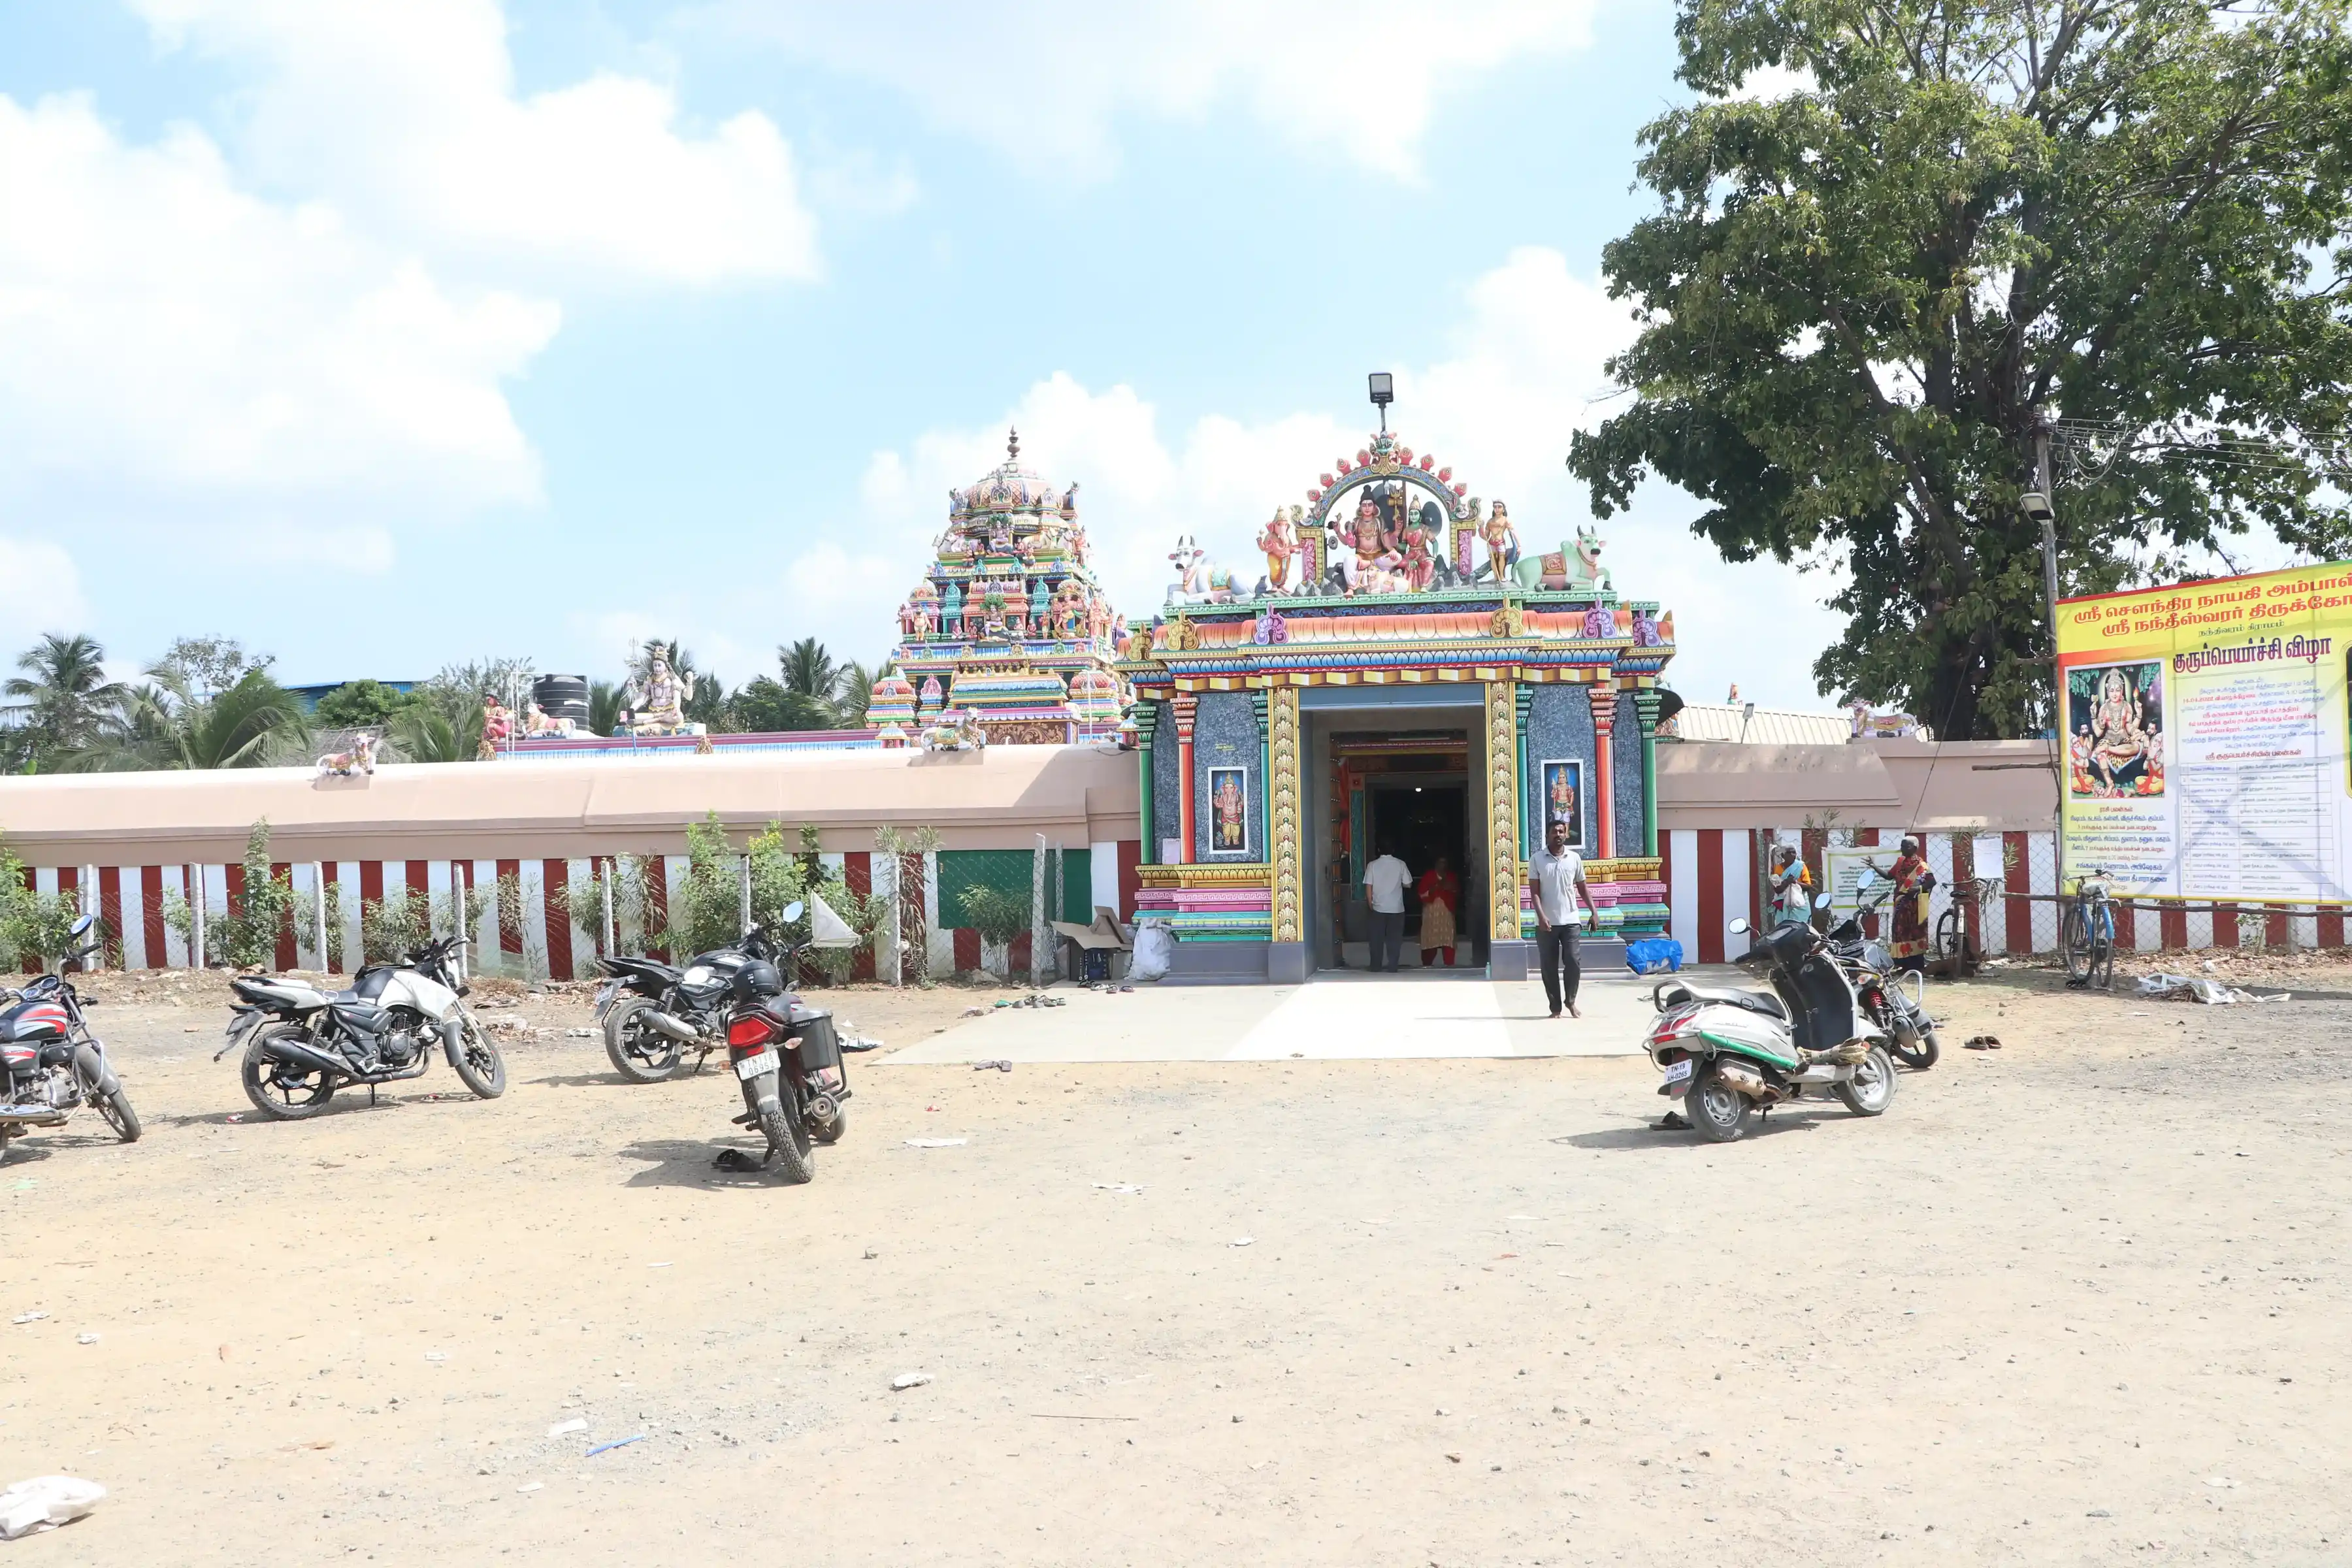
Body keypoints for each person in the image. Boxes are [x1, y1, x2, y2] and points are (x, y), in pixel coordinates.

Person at [1528, 816, 1594, 1017]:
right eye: (1554, 832)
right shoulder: (1537, 859)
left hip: (1571, 920)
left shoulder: (1574, 858)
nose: (1558, 835)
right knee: (1549, 967)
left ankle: (1571, 1001)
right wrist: (1541, 916)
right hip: (1547, 923)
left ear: (1566, 834)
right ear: (1547, 836)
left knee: (1573, 961)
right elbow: (1535, 892)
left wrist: (1594, 912)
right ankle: (1555, 1008)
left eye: (1561, 831)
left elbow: (1583, 888)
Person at [1869, 836, 1934, 972]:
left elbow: (1931, 882)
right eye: (1902, 846)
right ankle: (1901, 964)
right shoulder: (1900, 862)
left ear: (1915, 848)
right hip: (1900, 904)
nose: (1902, 849)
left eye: (1906, 846)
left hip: (1915, 906)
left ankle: (1916, 965)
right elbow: (1889, 876)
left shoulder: (1921, 866)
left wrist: (1918, 888)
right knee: (1899, 932)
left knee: (1915, 933)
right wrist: (1874, 866)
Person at [1363, 843, 1412, 973]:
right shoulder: (1401, 864)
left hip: (1378, 908)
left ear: (1379, 850)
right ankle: (1393, 966)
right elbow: (1408, 884)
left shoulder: (1372, 865)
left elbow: (1368, 887)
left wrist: (1370, 904)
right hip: (1396, 908)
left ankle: (1375, 966)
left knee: (1376, 939)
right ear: (1393, 850)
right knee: (1394, 939)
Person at [1414, 855, 1460, 968]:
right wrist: (1432, 890)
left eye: (1445, 863)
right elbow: (1421, 894)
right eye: (1440, 862)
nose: (1442, 865)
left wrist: (1447, 886)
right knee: (1430, 940)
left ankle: (1449, 964)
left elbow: (1456, 891)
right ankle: (1427, 964)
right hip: (1431, 913)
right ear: (1436, 864)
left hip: (1447, 913)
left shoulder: (1451, 876)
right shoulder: (1429, 876)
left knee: (1448, 940)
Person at [1767, 845, 1813, 928]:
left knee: (1802, 929)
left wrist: (1795, 882)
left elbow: (1808, 886)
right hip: (1782, 904)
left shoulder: (1801, 866)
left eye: (1794, 852)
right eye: (1789, 852)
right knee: (1782, 930)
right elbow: (1777, 889)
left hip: (1800, 905)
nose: (1793, 855)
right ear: (1783, 856)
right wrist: (1787, 882)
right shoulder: (1777, 869)